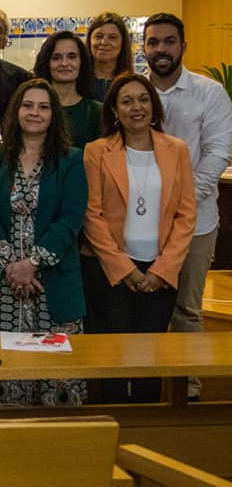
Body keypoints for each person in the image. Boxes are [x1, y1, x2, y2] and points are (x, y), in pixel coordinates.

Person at [0, 79, 87, 407]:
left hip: (53, 283)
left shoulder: (71, 159)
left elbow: (71, 218)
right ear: (16, 110)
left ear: (54, 115)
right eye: (28, 105)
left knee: (55, 375)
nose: (35, 112)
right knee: (4, 369)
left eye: (44, 107)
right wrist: (11, 266)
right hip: (3, 287)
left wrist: (31, 263)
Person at [82, 73, 195, 403]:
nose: (137, 107)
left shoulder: (177, 150)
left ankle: (146, 426)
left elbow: (186, 216)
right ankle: (113, 424)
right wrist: (124, 268)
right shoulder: (96, 151)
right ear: (115, 110)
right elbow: (92, 215)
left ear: (154, 106)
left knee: (151, 356)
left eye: (143, 100)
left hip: (160, 272)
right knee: (112, 356)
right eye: (127, 101)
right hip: (110, 272)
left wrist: (162, 270)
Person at [145, 12, 232, 400]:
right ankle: (145, 387)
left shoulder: (209, 92)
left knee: (188, 311)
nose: (161, 49)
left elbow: (218, 152)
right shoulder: (132, 91)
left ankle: (190, 391)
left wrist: (182, 204)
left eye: (168, 42)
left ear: (182, 46)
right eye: (153, 42)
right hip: (141, 227)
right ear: (144, 48)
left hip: (196, 222)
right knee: (144, 313)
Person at [33, 30, 102, 147]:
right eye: (56, 58)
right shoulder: (32, 108)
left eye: (72, 57)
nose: (64, 63)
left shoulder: (97, 112)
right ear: (47, 63)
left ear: (82, 62)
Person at [87, 12, 134, 101]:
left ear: (123, 43)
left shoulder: (132, 84)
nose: (104, 42)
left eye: (112, 37)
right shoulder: (77, 83)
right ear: (89, 41)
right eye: (98, 36)